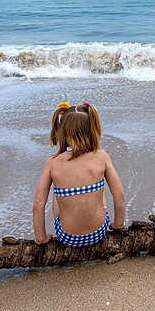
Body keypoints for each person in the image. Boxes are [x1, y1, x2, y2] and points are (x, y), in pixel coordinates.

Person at [33, 101, 126, 246]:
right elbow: (119, 194)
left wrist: (41, 237)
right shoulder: (102, 157)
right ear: (92, 129)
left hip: (67, 237)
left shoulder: (53, 162)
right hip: (99, 232)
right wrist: (118, 224)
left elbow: (38, 204)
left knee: (56, 190)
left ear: (62, 131)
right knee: (98, 189)